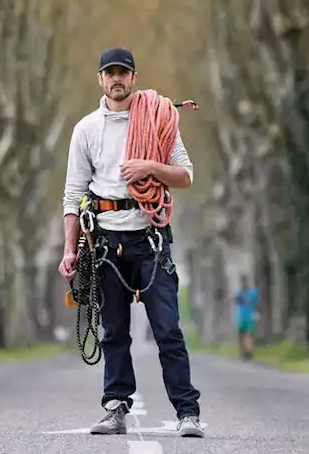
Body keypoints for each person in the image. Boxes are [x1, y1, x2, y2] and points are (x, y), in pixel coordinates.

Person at [59, 46, 204, 438]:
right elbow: (73, 194)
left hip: (150, 236)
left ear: (134, 78)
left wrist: (149, 168)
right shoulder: (86, 129)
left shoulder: (158, 119)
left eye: (124, 72)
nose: (117, 79)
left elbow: (185, 175)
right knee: (113, 331)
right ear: (100, 79)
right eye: (110, 73)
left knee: (167, 328)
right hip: (103, 239)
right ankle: (115, 407)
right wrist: (70, 249)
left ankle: (187, 412)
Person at [234, 276, 259, 360]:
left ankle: (249, 352)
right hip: (241, 317)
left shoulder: (252, 293)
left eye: (245, 281)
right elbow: (234, 301)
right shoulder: (238, 293)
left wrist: (257, 313)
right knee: (241, 335)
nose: (243, 283)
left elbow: (256, 302)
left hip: (249, 316)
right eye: (242, 282)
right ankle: (242, 351)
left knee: (249, 335)